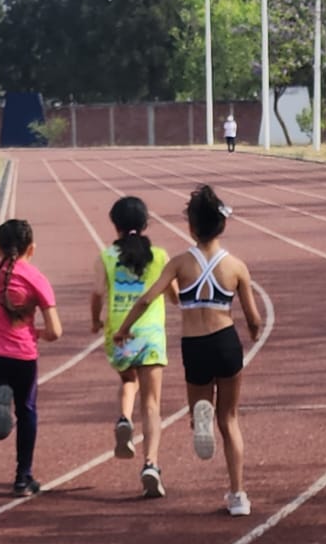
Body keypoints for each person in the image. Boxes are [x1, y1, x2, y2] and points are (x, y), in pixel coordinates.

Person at [115, 186, 263, 516]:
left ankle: (200, 420)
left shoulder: (180, 264)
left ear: (191, 227)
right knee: (231, 419)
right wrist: (253, 332)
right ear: (222, 226)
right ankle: (238, 495)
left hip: (194, 344)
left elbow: (146, 298)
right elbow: (253, 318)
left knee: (200, 406)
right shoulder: (236, 267)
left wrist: (124, 328)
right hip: (226, 342)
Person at [0, 219, 63, 495]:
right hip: (22, 355)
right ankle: (22, 477)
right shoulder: (36, 278)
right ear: (32, 248)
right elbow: (56, 331)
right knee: (27, 412)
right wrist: (36, 332)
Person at [91, 196, 173, 499]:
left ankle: (124, 418)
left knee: (128, 381)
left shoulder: (106, 256)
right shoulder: (160, 256)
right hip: (150, 335)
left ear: (115, 225)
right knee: (152, 404)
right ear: (146, 223)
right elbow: (174, 294)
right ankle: (151, 464)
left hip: (119, 334)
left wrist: (94, 322)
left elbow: (98, 293)